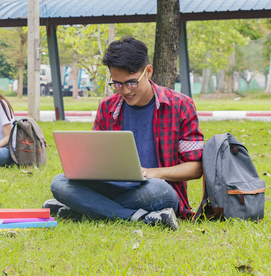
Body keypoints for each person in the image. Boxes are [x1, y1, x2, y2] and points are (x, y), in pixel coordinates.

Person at [43, 36, 204, 230]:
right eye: (117, 84)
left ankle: (84, 209)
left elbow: (195, 168)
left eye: (132, 83)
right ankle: (139, 218)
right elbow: (96, 160)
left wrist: (153, 173)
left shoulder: (180, 105)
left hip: (154, 190)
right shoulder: (107, 107)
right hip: (111, 188)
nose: (126, 91)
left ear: (148, 71)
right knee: (59, 183)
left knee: (160, 190)